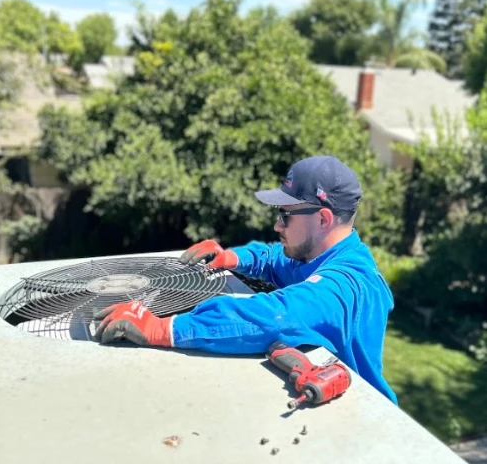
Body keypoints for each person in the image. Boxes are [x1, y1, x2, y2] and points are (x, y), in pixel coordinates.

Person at [94, 155, 398, 404]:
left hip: (367, 418)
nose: (277, 226)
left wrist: (162, 328)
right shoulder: (320, 254)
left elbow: (275, 317)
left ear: (323, 219)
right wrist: (232, 258)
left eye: (285, 215)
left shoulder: (346, 284)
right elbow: (274, 258)